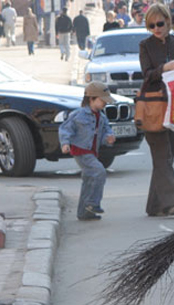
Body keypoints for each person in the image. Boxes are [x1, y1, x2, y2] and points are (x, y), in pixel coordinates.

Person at [139, 3, 174, 216]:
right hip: (153, 107)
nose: (156, 28)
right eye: (152, 25)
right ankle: (171, 202)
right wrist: (164, 69)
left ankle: (153, 206)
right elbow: (147, 74)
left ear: (168, 22)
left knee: (166, 157)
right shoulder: (145, 45)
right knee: (162, 156)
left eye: (160, 23)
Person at [59, 82, 116, 221]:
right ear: (91, 99)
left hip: (91, 151)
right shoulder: (78, 114)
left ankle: (84, 213)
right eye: (102, 100)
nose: (105, 104)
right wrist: (65, 143)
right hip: (81, 150)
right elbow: (65, 128)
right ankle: (92, 203)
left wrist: (108, 137)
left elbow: (105, 130)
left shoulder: (101, 117)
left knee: (88, 179)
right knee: (99, 172)